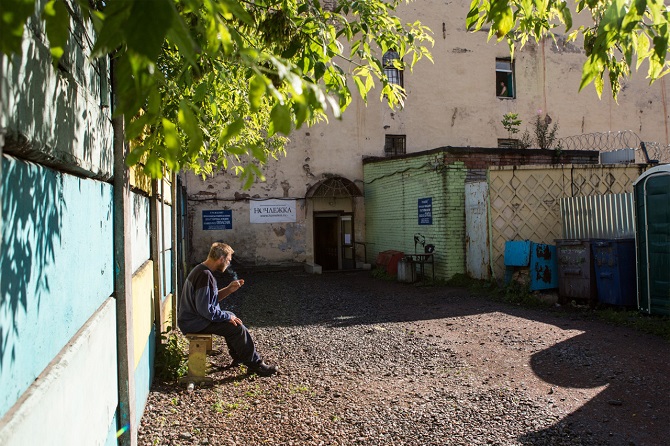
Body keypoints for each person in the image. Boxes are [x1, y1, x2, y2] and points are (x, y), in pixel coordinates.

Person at [178, 242, 277, 377]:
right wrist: (226, 317)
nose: (229, 264)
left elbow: (208, 301)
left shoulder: (202, 271)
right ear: (221, 259)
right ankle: (256, 365)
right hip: (194, 322)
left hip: (192, 319)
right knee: (236, 327)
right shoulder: (204, 275)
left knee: (231, 316)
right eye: (228, 260)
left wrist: (229, 289)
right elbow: (205, 310)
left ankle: (240, 357)